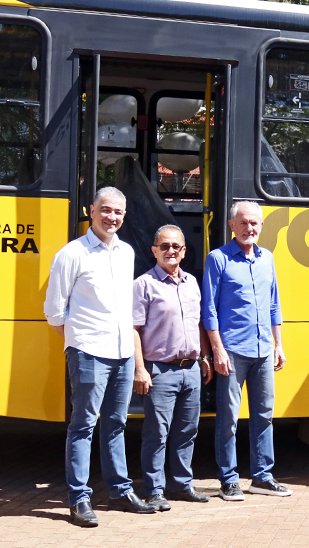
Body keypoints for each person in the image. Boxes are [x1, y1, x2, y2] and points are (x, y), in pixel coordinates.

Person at [45, 187, 155, 527]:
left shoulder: (126, 253)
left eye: (119, 212)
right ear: (91, 210)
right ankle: (79, 499)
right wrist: (79, 343)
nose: (112, 217)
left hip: (122, 353)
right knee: (83, 427)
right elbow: (54, 312)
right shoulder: (72, 254)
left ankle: (120, 492)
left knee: (115, 426)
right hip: (89, 353)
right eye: (106, 210)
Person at [204, 201, 290, 501]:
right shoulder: (218, 259)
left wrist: (278, 345)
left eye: (254, 223)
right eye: (242, 223)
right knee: (228, 418)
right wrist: (218, 350)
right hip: (232, 351)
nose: (248, 228)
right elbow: (209, 310)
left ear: (261, 226)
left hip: (264, 349)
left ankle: (262, 477)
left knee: (264, 415)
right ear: (231, 226)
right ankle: (228, 479)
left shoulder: (267, 259)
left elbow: (274, 304)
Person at [132, 224, 214, 510]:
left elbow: (199, 324)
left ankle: (182, 484)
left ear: (183, 252)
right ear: (154, 250)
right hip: (160, 370)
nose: (170, 251)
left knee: (187, 431)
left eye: (175, 247)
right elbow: (134, 330)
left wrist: (204, 358)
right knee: (157, 433)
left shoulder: (192, 282)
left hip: (190, 368)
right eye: (164, 246)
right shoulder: (143, 285)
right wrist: (140, 370)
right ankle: (155, 490)